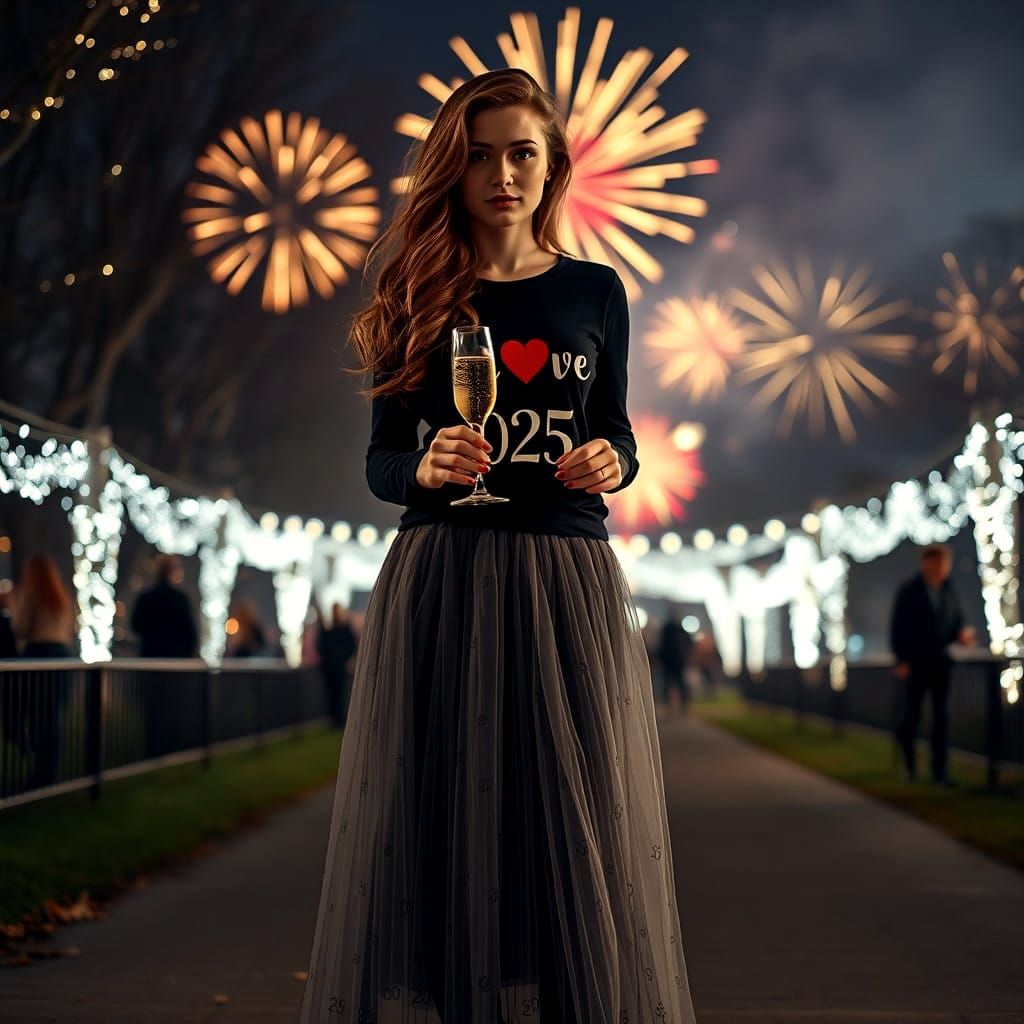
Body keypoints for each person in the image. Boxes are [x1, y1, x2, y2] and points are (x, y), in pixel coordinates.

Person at [299, 69, 696, 1024]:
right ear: (453, 165)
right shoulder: (417, 287)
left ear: (553, 165)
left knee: (572, 817)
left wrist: (618, 458)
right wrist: (426, 464)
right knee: (444, 817)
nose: (502, 174)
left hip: (567, 576)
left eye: (522, 153)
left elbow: (620, 433)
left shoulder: (597, 291)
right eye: (479, 155)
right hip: (448, 572)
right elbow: (382, 463)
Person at [889, 543, 975, 786]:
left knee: (941, 718)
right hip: (916, 663)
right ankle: (909, 766)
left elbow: (956, 622)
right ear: (926, 563)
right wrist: (902, 659)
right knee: (912, 715)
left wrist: (962, 634)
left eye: (945, 564)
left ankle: (939, 773)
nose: (942, 568)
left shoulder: (949, 592)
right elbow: (898, 628)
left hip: (940, 663)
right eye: (938, 563)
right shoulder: (909, 591)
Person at [12, 554, 76, 789]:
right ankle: (50, 772)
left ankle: (39, 776)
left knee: (39, 713)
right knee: (54, 715)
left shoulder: (32, 594)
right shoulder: (62, 597)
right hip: (62, 655)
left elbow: (21, 628)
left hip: (39, 653)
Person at [129, 554, 199, 658]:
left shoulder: (145, 598)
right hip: (175, 660)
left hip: (149, 658)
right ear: (173, 571)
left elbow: (135, 625)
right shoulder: (180, 599)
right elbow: (190, 634)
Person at [316, 602, 358, 728]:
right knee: (333, 693)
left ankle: (338, 719)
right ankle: (335, 719)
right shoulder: (332, 630)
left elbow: (350, 646)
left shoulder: (340, 630)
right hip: (332, 668)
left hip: (336, 667)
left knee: (339, 693)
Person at [658, 605, 693, 716]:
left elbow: (661, 645)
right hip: (674, 661)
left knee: (672, 683)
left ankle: (678, 707)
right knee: (674, 683)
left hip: (673, 662)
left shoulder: (672, 629)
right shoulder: (677, 629)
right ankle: (678, 707)